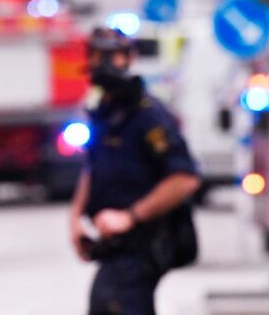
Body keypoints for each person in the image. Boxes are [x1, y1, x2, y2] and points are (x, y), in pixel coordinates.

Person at [69, 27, 201, 315]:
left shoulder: (148, 115)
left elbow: (185, 179)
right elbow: (93, 166)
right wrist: (76, 218)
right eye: (96, 54)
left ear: (129, 58)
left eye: (111, 54)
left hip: (144, 245)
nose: (102, 62)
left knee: (114, 300)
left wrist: (130, 216)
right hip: (114, 249)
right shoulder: (105, 111)